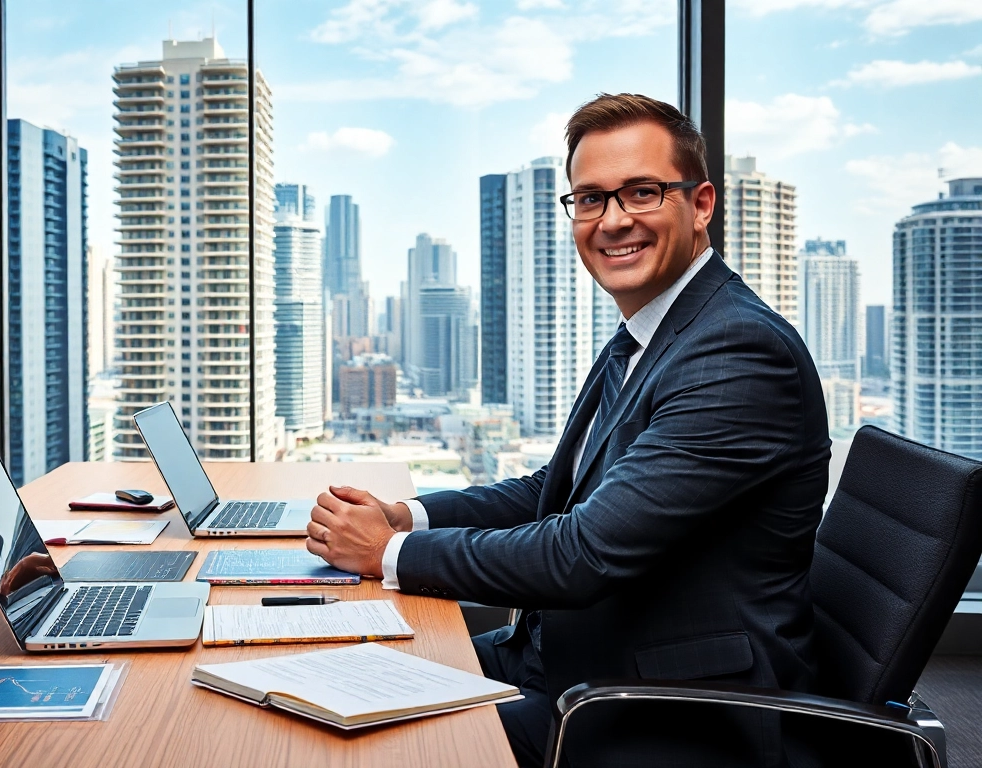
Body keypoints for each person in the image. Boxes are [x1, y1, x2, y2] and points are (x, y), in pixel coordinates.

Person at [306, 93, 830, 767]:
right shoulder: (651, 333)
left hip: (672, 708)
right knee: (335, 676)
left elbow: (581, 554)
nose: (612, 221)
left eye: (641, 192)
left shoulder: (736, 354)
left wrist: (387, 553)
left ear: (701, 204)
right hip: (569, 660)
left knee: (370, 746)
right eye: (590, 199)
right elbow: (553, 491)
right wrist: (407, 516)